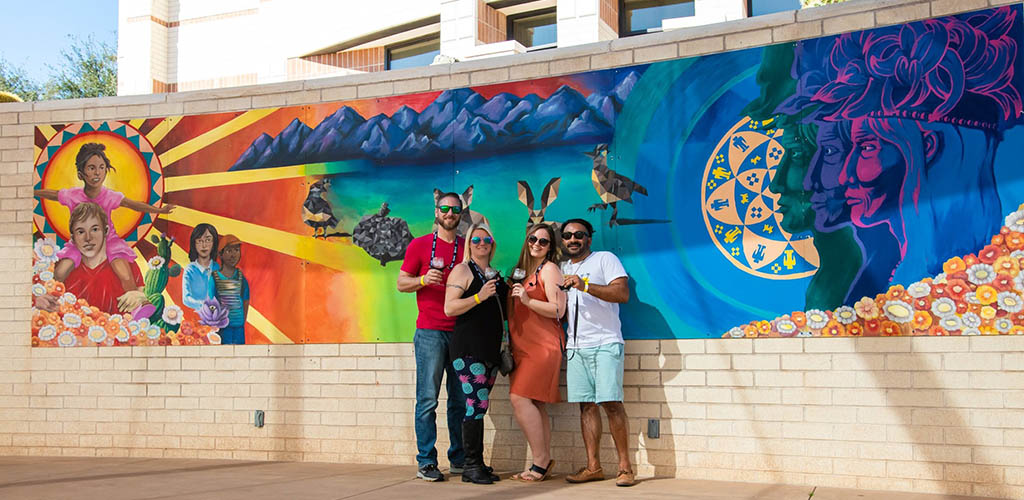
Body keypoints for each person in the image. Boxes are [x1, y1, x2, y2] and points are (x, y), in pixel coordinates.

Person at [35, 142, 174, 298]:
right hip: (79, 242)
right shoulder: (72, 195)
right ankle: (53, 305)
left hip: (110, 241)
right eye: (91, 168)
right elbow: (52, 194)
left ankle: (138, 308)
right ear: (81, 174)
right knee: (60, 272)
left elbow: (134, 205)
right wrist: (31, 192)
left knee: (125, 275)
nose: (97, 173)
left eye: (101, 168)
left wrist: (159, 210)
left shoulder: (109, 196)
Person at [559, 218, 636, 487]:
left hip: (606, 343)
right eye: (567, 235)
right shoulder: (561, 268)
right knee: (586, 406)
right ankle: (593, 467)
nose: (573, 239)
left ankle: (625, 468)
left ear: (589, 238)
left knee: (611, 403)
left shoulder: (605, 259)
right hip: (575, 346)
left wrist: (585, 285)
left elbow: (622, 293)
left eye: (579, 234)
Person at [397, 192, 467, 482]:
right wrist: (423, 280)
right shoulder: (419, 245)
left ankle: (460, 459)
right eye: (445, 208)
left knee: (460, 402)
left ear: (461, 213)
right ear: (437, 211)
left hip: (462, 332)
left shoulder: (467, 246)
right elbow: (401, 283)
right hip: (429, 332)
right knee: (427, 400)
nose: (450, 213)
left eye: (455, 209)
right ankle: (426, 461)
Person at [443, 223, 507, 484]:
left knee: (479, 403)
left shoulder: (492, 273)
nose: (482, 243)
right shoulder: (462, 270)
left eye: (487, 239)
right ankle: (471, 465)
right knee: (476, 404)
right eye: (476, 239)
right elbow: (450, 308)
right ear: (469, 243)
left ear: (492, 243)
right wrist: (479, 297)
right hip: (469, 350)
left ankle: (476, 463)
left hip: (489, 350)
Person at [508, 223, 565, 482]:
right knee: (534, 402)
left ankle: (540, 461)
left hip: (543, 345)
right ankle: (541, 461)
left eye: (544, 241)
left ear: (551, 247)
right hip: (522, 346)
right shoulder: (521, 272)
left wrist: (529, 301)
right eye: (533, 239)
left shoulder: (550, 269)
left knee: (519, 398)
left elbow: (558, 310)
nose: (537, 245)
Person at [34, 202, 149, 316]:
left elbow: (148, 305)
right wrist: (39, 301)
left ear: (106, 231)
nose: (88, 238)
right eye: (80, 232)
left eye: (94, 229)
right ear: (73, 237)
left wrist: (141, 298)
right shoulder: (61, 269)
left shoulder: (127, 265)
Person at [212, 234, 249, 345]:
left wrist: (241, 320)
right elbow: (211, 301)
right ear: (220, 254)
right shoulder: (214, 277)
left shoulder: (241, 277)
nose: (233, 255)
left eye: (236, 250)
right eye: (228, 251)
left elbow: (245, 300)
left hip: (238, 327)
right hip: (222, 327)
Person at [182, 224, 219, 313]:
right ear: (194, 243)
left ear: (214, 243)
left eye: (208, 240)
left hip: (217, 315)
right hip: (194, 316)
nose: (204, 245)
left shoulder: (218, 268)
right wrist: (204, 305)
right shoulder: (190, 270)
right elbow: (186, 298)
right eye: (199, 241)